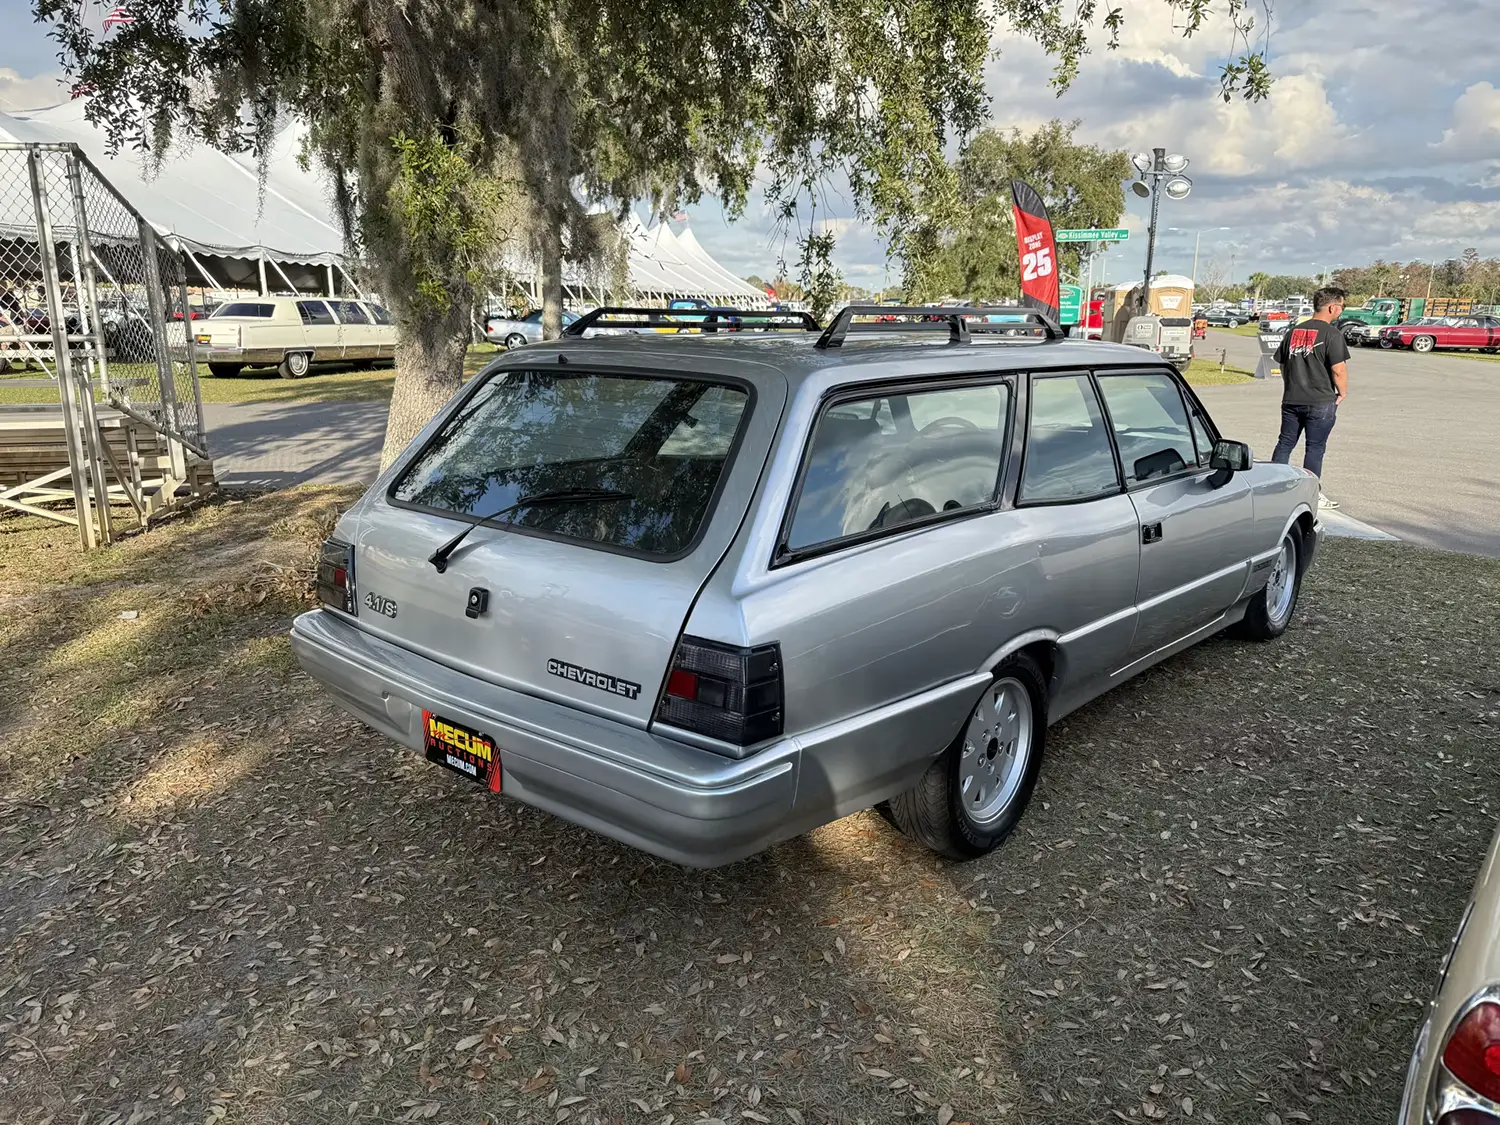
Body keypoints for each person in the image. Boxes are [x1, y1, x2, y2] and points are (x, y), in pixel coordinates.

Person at [1272, 286, 1349, 510]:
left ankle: (1275, 488)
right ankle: (1312, 494)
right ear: (1332, 307)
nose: (1341, 311)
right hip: (1320, 401)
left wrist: (1291, 385)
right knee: (1314, 448)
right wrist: (1342, 392)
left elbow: (1282, 362)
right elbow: (1338, 371)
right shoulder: (1332, 335)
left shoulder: (1293, 332)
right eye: (1341, 307)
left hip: (1291, 399)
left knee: (1285, 442)